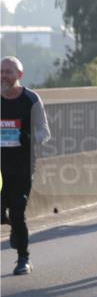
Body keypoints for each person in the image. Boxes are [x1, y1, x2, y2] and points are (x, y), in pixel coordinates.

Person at [1, 56, 51, 275]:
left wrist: (29, 137)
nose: (4, 76)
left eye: (8, 72)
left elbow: (45, 133)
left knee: (18, 211)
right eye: (1, 71)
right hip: (0, 167)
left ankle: (24, 258)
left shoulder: (31, 99)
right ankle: (10, 221)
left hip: (22, 165)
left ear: (19, 75)